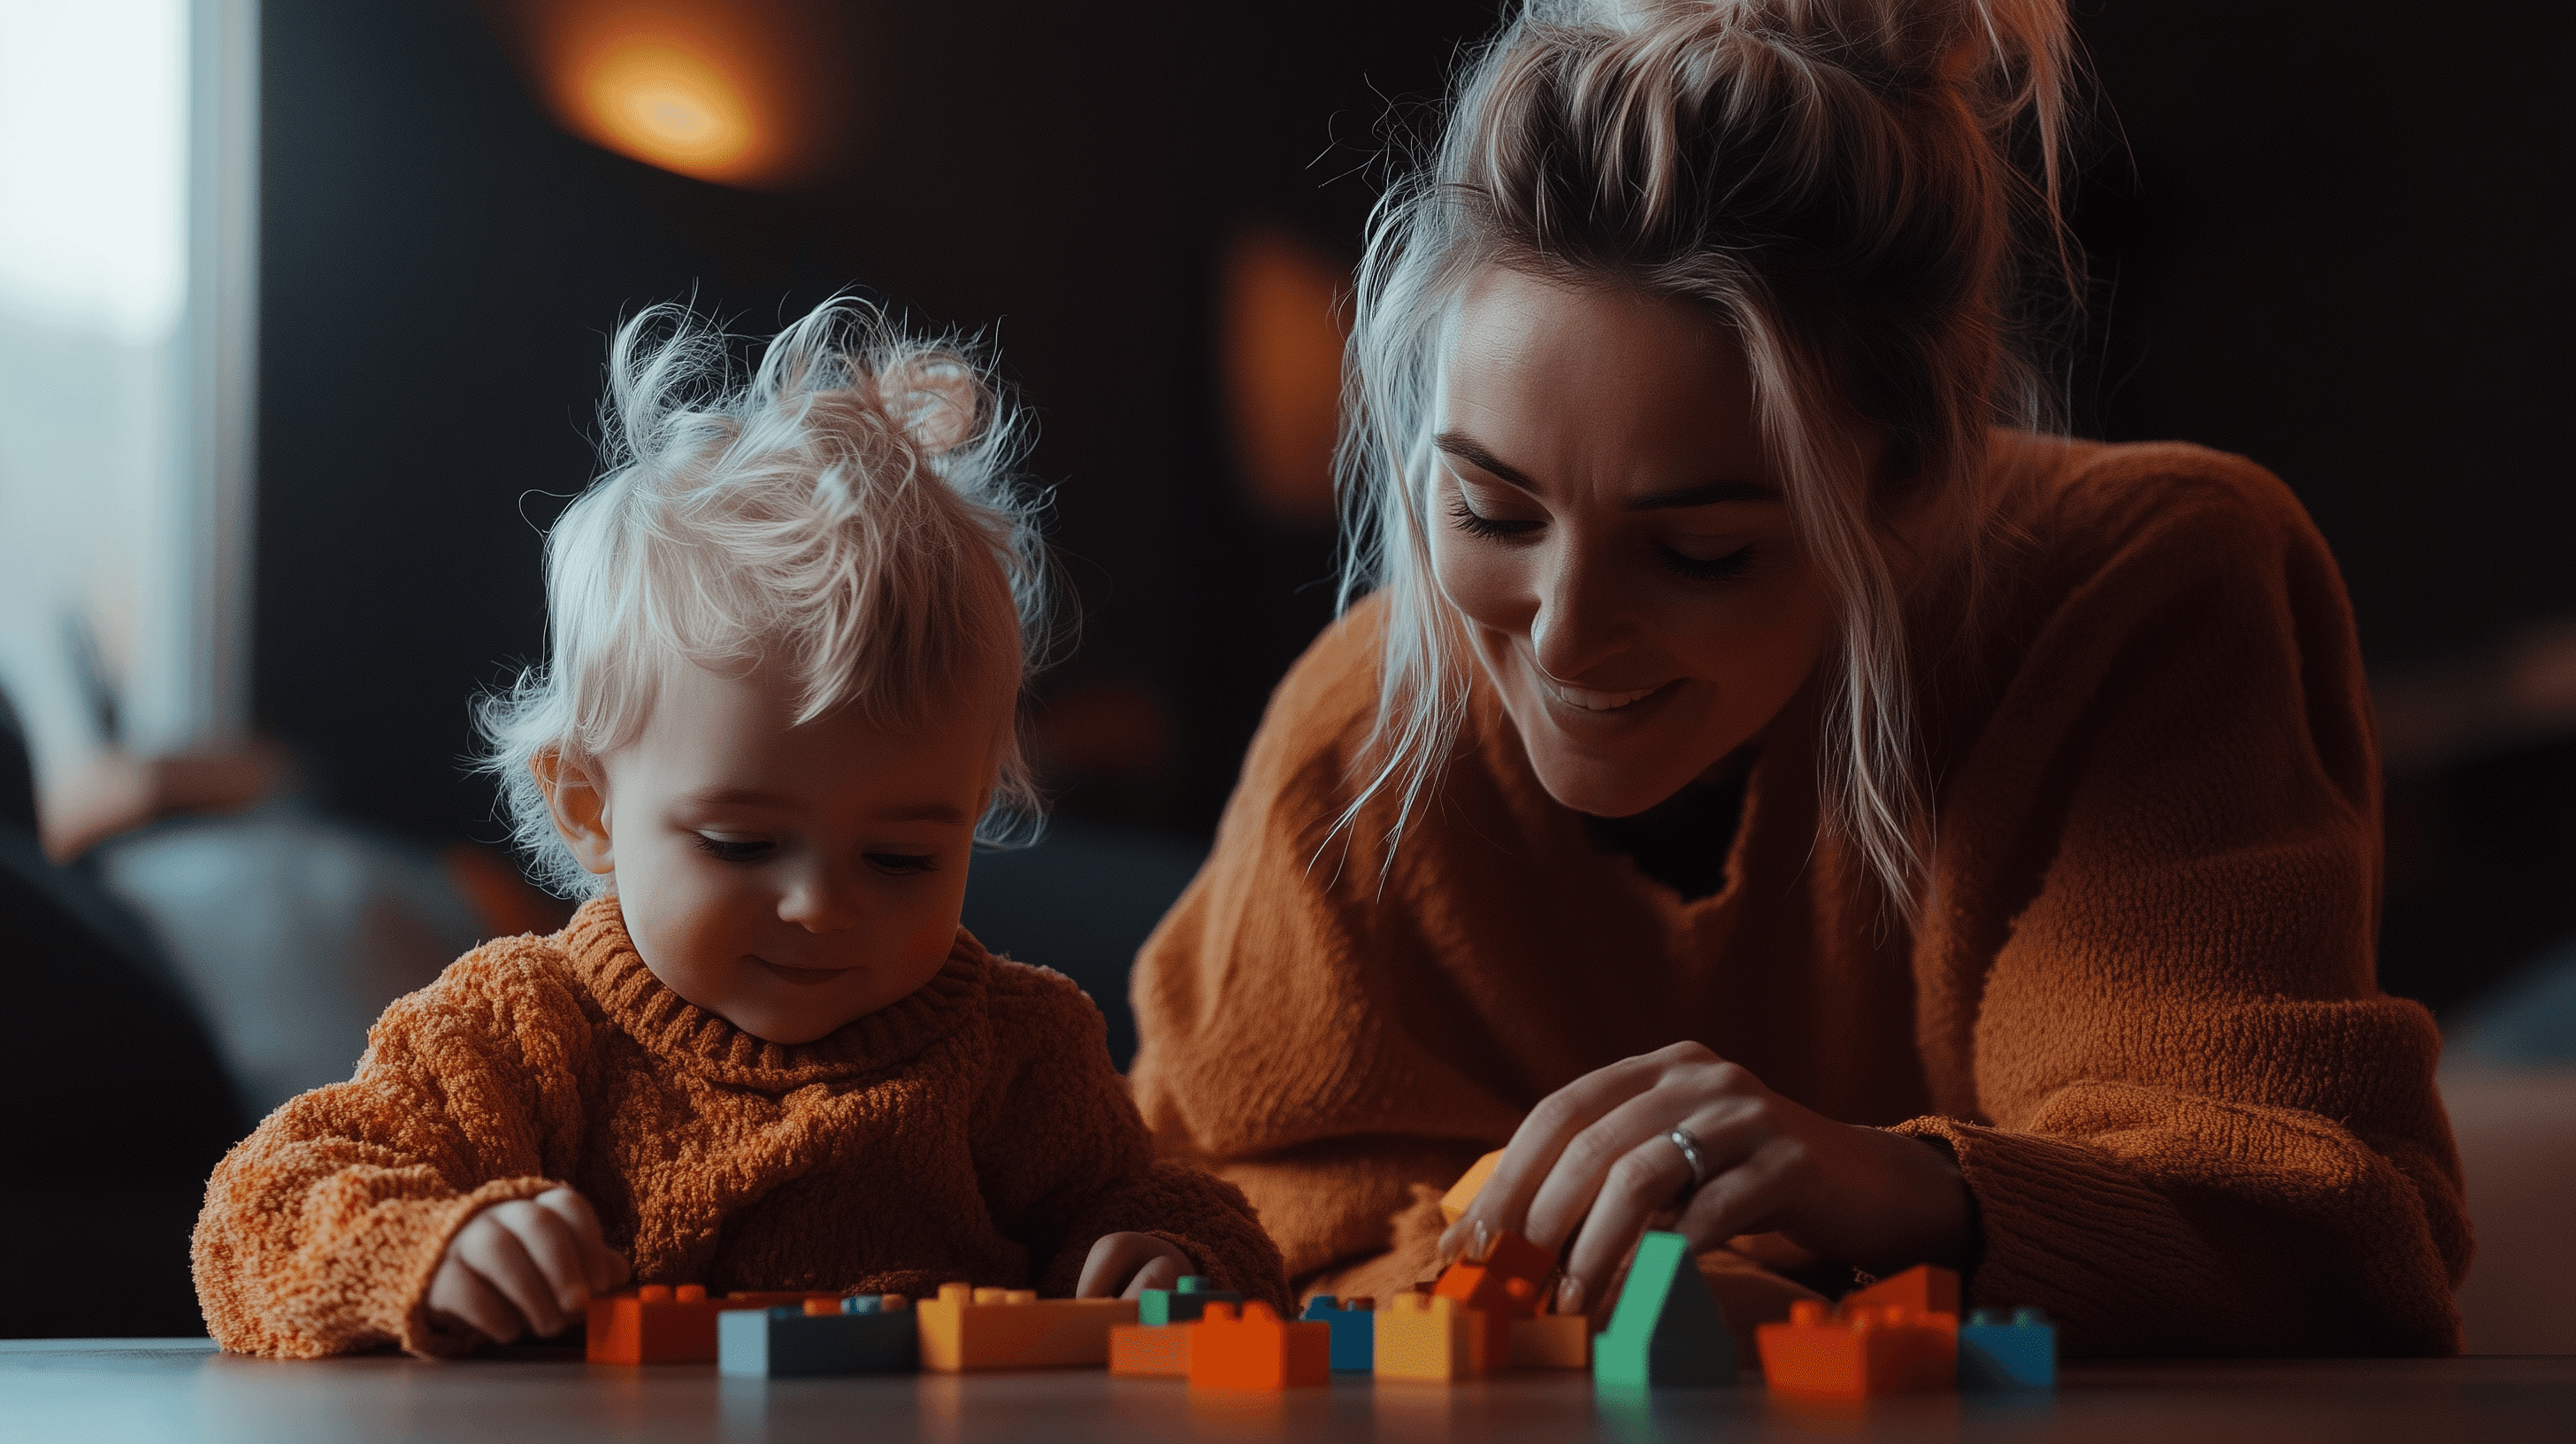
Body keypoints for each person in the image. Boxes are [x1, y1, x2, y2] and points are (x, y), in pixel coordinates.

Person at [1129, 0, 2467, 1356]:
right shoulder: (1354, 740)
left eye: (1700, 551)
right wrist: (1635, 1299)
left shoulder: (2149, 595)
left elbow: (2319, 1237)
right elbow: (1220, 1224)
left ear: (1910, 488)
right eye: (1493, 513)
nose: (1568, 635)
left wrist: (1889, 1189)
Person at [192, 299, 1286, 1358]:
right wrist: (427, 1248)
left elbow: (1188, 1210)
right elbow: (256, 1216)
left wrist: (1166, 1259)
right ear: (589, 805)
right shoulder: (522, 1033)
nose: (821, 903)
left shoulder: (1019, 1055)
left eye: (902, 855)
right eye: (743, 844)